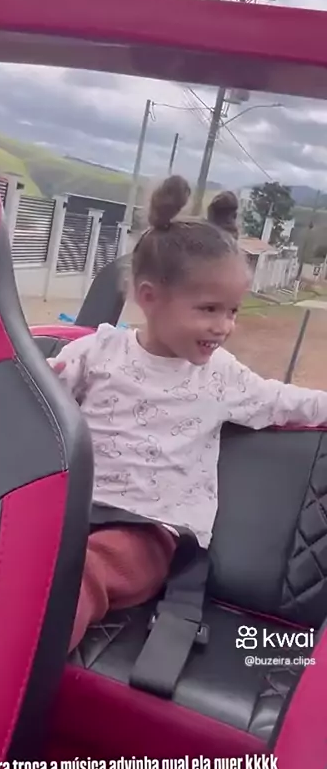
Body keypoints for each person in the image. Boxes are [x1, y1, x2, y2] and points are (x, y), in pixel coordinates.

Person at [48, 174, 327, 652]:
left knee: (83, 573)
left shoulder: (221, 376)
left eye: (232, 311)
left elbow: (284, 401)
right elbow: (37, 401)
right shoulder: (96, 353)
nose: (224, 326)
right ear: (150, 297)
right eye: (209, 309)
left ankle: (22, 653)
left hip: (149, 531)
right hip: (71, 511)